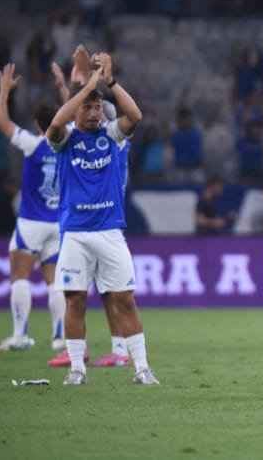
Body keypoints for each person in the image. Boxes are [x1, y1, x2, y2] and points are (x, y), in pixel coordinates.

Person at [46, 52, 158, 385]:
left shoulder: (112, 137)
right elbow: (54, 124)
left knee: (125, 300)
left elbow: (135, 115)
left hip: (110, 233)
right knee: (75, 301)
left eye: (98, 107)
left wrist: (109, 82)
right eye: (88, 107)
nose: (95, 112)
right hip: (75, 234)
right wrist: (82, 89)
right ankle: (77, 370)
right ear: (77, 110)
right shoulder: (65, 141)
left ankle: (141, 368)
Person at [0, 64, 65, 352]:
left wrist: (4, 91)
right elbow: (71, 116)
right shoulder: (68, 144)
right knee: (54, 282)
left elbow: (3, 123)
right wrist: (64, 86)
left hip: (31, 222)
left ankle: (20, 336)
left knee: (20, 277)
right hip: (57, 223)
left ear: (38, 125)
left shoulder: (33, 143)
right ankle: (60, 336)